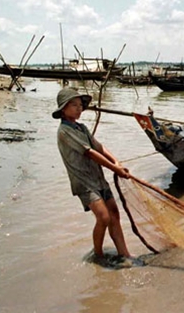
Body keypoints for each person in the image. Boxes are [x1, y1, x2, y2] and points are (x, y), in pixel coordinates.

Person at [53, 88, 131, 259]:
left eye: (80, 105)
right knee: (103, 217)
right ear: (63, 109)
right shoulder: (64, 132)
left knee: (114, 213)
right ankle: (98, 254)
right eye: (73, 105)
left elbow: (99, 147)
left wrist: (116, 161)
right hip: (84, 182)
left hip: (98, 178)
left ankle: (124, 254)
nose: (78, 108)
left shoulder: (82, 128)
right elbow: (89, 152)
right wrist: (115, 169)